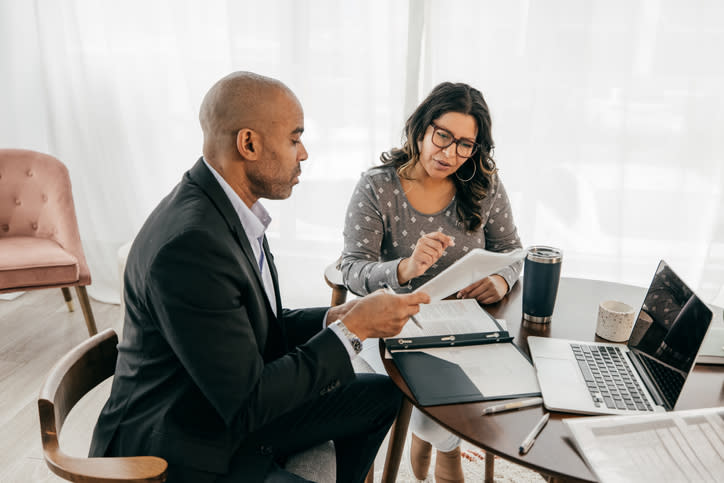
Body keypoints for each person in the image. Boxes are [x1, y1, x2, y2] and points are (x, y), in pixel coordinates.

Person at [89, 71, 430, 483]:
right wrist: (353, 330)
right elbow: (249, 401)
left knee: (380, 396)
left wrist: (336, 318)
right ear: (248, 143)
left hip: (219, 405)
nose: (303, 153)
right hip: (181, 443)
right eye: (294, 138)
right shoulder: (191, 245)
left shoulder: (230, 210)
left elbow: (256, 325)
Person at [340, 82, 523, 482]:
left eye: (465, 144)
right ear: (421, 128)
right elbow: (352, 269)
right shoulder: (377, 187)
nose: (450, 153)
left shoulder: (483, 183)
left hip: (463, 322)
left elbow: (512, 251)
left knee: (506, 377)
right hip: (393, 322)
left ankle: (435, 436)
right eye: (442, 136)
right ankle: (446, 444)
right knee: (435, 388)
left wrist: (500, 281)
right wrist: (403, 269)